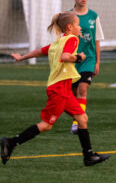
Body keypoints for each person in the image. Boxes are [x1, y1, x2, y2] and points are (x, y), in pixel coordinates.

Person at [1, 12, 110, 166]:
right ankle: (11, 142)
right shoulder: (72, 39)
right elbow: (65, 57)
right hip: (59, 90)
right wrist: (79, 57)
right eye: (78, 24)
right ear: (70, 27)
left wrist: (21, 57)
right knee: (46, 125)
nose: (80, 27)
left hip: (63, 89)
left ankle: (89, 156)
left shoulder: (58, 42)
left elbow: (40, 51)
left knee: (82, 118)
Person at [69, 0, 104, 134]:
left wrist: (97, 61)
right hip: (72, 60)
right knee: (73, 93)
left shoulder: (93, 16)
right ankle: (78, 118)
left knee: (82, 89)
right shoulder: (68, 16)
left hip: (88, 59)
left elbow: (97, 40)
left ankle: (77, 123)